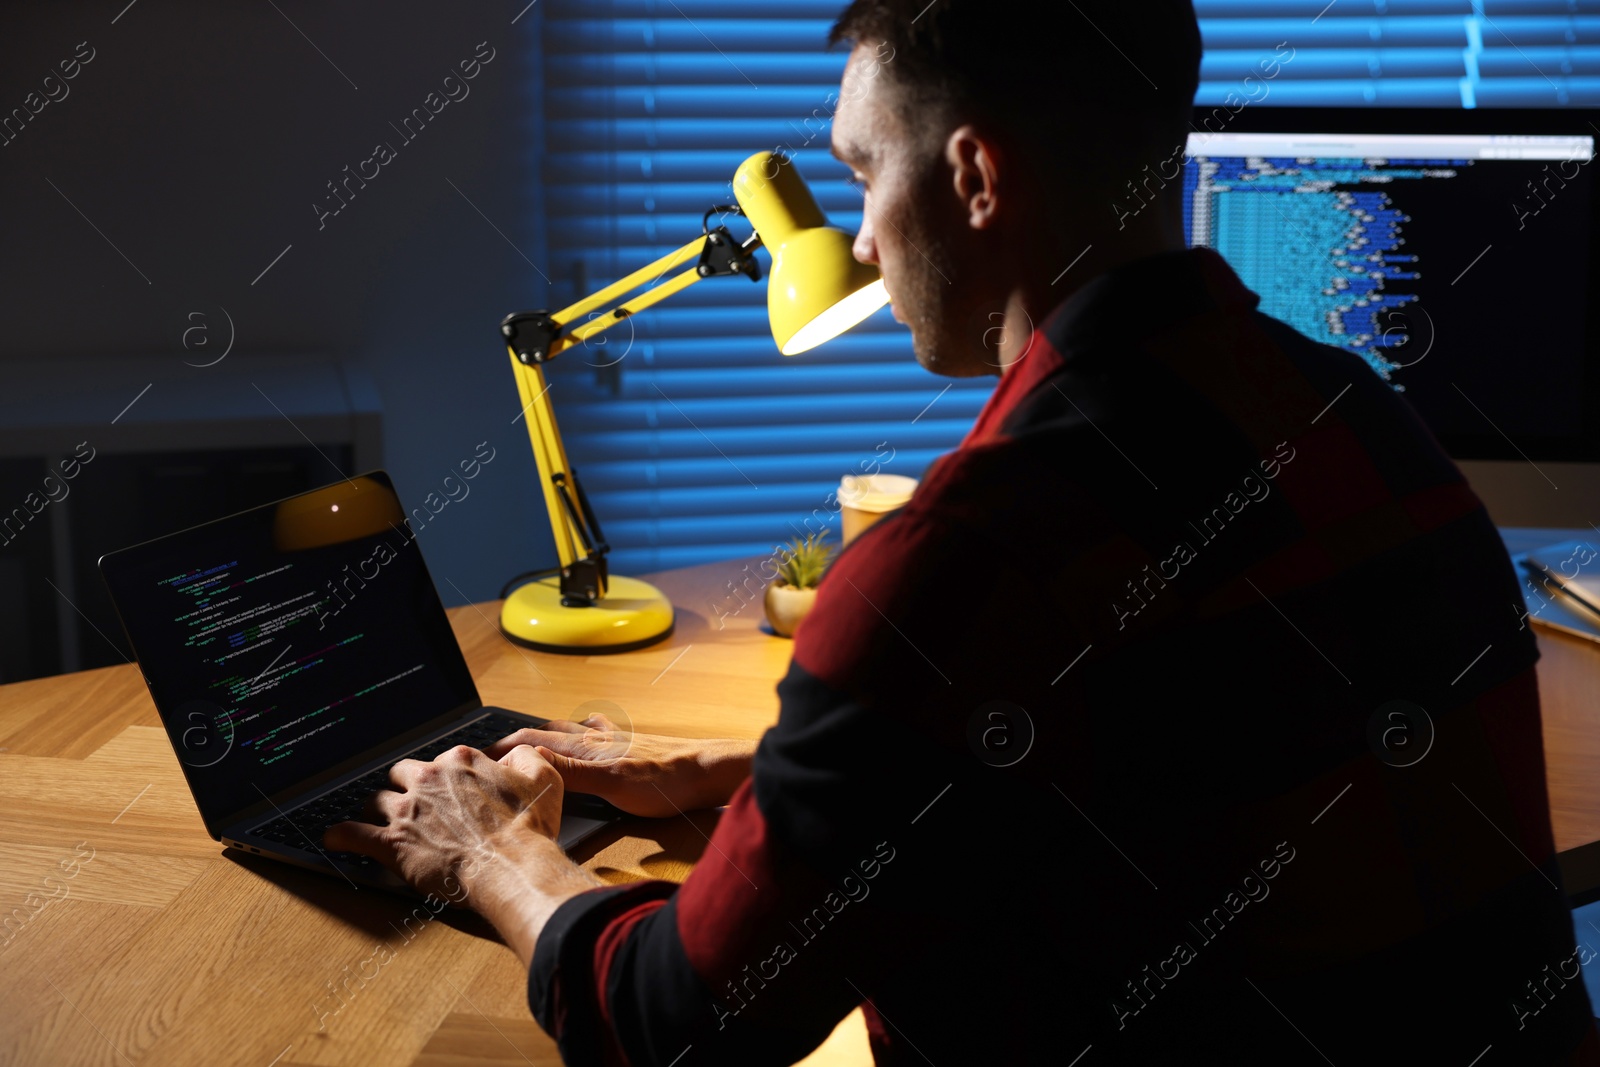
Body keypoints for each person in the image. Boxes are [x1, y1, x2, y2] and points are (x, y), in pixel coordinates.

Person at [328, 1, 1600, 1062]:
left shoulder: (962, 560)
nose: (862, 241)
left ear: (977, 178)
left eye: (859, 174)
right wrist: (755, 779)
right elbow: (1158, 767)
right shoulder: (1365, 424)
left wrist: (493, 849)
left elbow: (678, 1021)